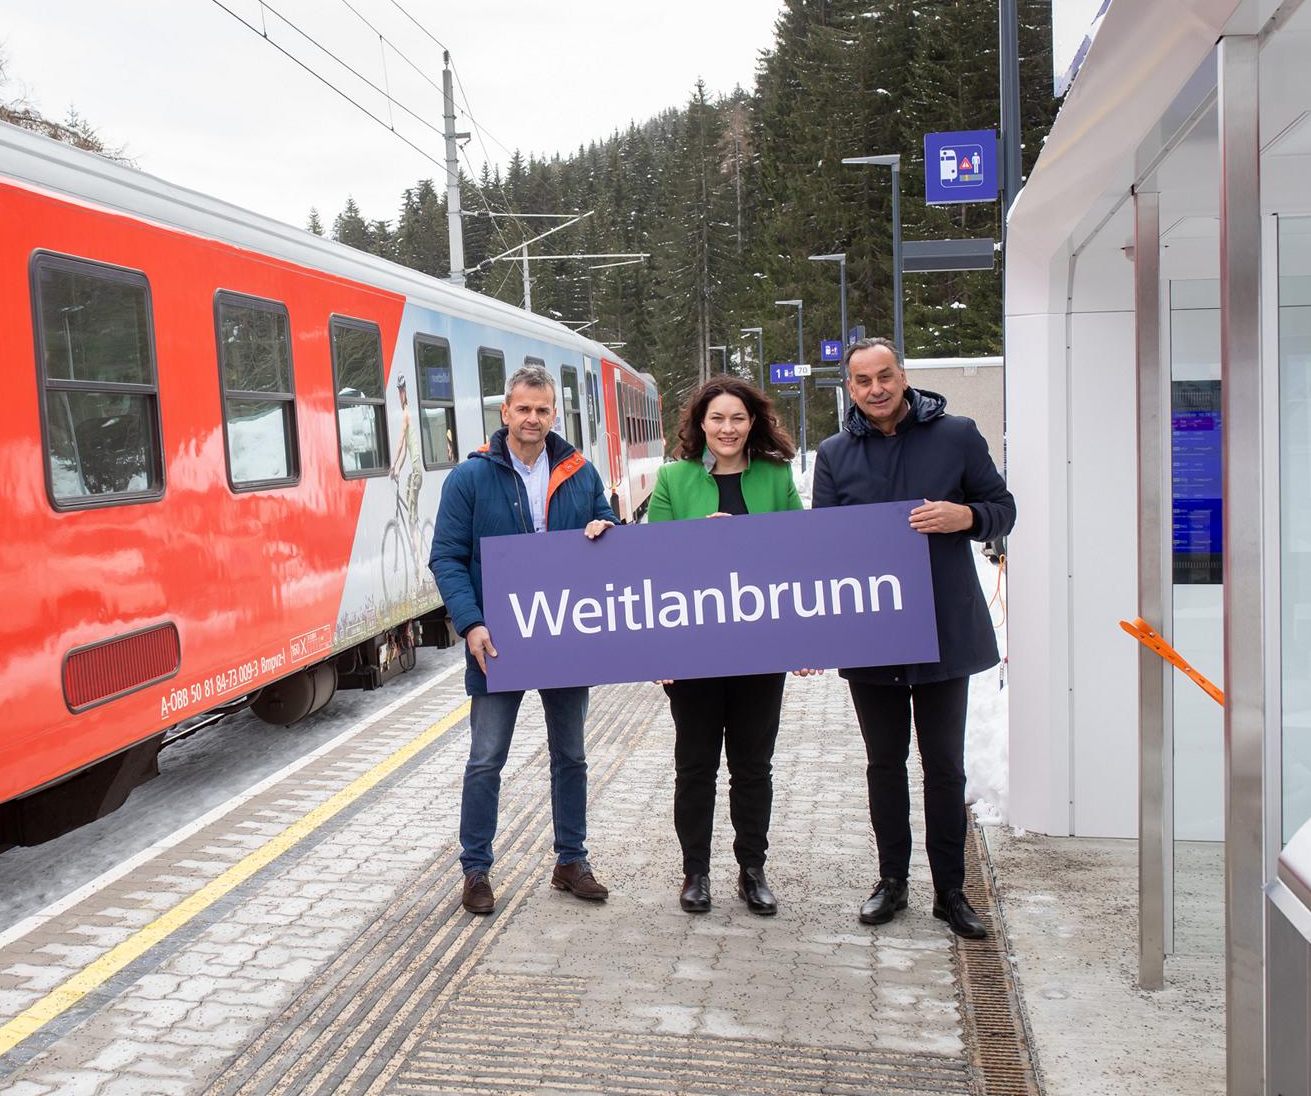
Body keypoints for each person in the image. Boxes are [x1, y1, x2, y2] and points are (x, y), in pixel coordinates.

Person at [811, 338, 1016, 940]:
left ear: (903, 376)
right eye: (862, 381)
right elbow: (821, 543)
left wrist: (966, 517)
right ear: (849, 389)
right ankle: (892, 881)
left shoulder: (957, 435)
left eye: (884, 376)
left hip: (943, 629)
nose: (875, 389)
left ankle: (950, 891)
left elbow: (1003, 507)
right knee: (884, 765)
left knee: (944, 767)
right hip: (873, 633)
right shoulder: (835, 454)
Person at [429, 364, 621, 915]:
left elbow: (608, 529)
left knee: (571, 755)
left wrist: (606, 529)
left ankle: (571, 861)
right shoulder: (469, 479)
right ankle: (476, 869)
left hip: (564, 636)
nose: (532, 418)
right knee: (486, 759)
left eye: (542, 410)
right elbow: (446, 557)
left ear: (553, 414)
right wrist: (471, 623)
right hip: (498, 640)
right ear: (505, 413)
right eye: (523, 409)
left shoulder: (581, 472)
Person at [644, 376, 804, 916]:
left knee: (753, 767)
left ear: (752, 422)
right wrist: (699, 542)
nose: (727, 428)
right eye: (717, 418)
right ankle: (695, 873)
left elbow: (802, 560)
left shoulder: (777, 477)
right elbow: (655, 565)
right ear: (701, 423)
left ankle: (752, 870)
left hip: (761, 648)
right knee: (695, 767)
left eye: (737, 418)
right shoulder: (673, 478)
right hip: (694, 650)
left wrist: (806, 639)